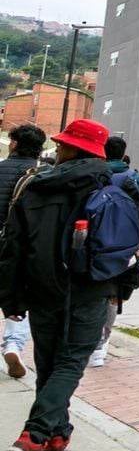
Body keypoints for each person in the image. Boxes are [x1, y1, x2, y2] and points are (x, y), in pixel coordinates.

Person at [0, 120, 139, 451]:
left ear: (69, 149)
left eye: (62, 144)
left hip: (42, 289)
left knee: (49, 364)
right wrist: (122, 290)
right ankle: (34, 438)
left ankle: (56, 437)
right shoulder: (111, 189)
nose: (58, 148)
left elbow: (13, 249)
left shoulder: (33, 188)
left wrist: (11, 299)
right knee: (69, 363)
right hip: (91, 290)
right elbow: (133, 245)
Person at [92, 136, 139, 368]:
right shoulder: (134, 178)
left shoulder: (93, 175)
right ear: (123, 153)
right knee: (115, 293)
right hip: (127, 243)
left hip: (95, 240)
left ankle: (86, 337)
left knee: (92, 288)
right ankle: (101, 345)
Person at [0, 125, 46, 380]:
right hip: (22, 247)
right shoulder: (45, 175)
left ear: (15, 144)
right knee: (18, 298)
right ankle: (13, 345)